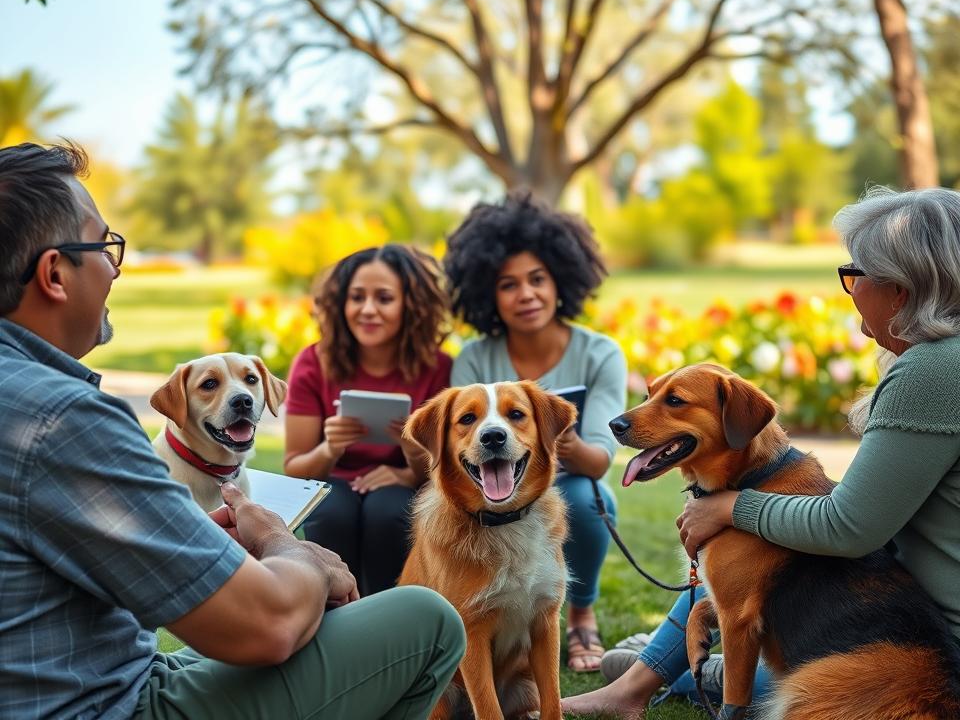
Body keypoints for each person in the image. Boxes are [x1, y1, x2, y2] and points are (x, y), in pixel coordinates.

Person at [0, 142, 466, 720]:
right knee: (427, 619)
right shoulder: (63, 419)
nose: (116, 267)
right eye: (104, 246)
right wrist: (286, 546)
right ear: (54, 274)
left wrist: (207, 545)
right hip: (103, 705)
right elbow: (267, 627)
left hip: (88, 674)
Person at [562, 185, 960, 718]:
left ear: (902, 286)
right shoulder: (936, 360)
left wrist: (731, 507)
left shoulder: (934, 369)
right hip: (893, 621)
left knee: (766, 651)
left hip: (925, 652)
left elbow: (850, 527)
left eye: (854, 273)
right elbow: (877, 510)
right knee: (741, 572)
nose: (849, 288)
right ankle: (656, 675)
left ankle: (688, 672)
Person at [443, 191, 628, 673]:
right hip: (491, 482)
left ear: (561, 280)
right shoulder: (474, 358)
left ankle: (581, 615)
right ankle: (494, 613)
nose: (526, 294)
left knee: (589, 499)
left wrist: (555, 433)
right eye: (508, 284)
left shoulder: (600, 353)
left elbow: (599, 462)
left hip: (568, 477)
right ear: (488, 294)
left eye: (537, 279)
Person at [283, 244, 451, 596]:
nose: (368, 310)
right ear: (341, 303)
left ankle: (387, 613)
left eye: (384, 298)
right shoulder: (313, 363)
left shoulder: (438, 368)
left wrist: (409, 461)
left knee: (390, 510)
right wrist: (330, 449)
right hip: (332, 481)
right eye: (357, 297)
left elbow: (444, 472)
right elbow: (295, 469)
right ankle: (332, 612)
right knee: (332, 510)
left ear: (410, 305)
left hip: (399, 486)